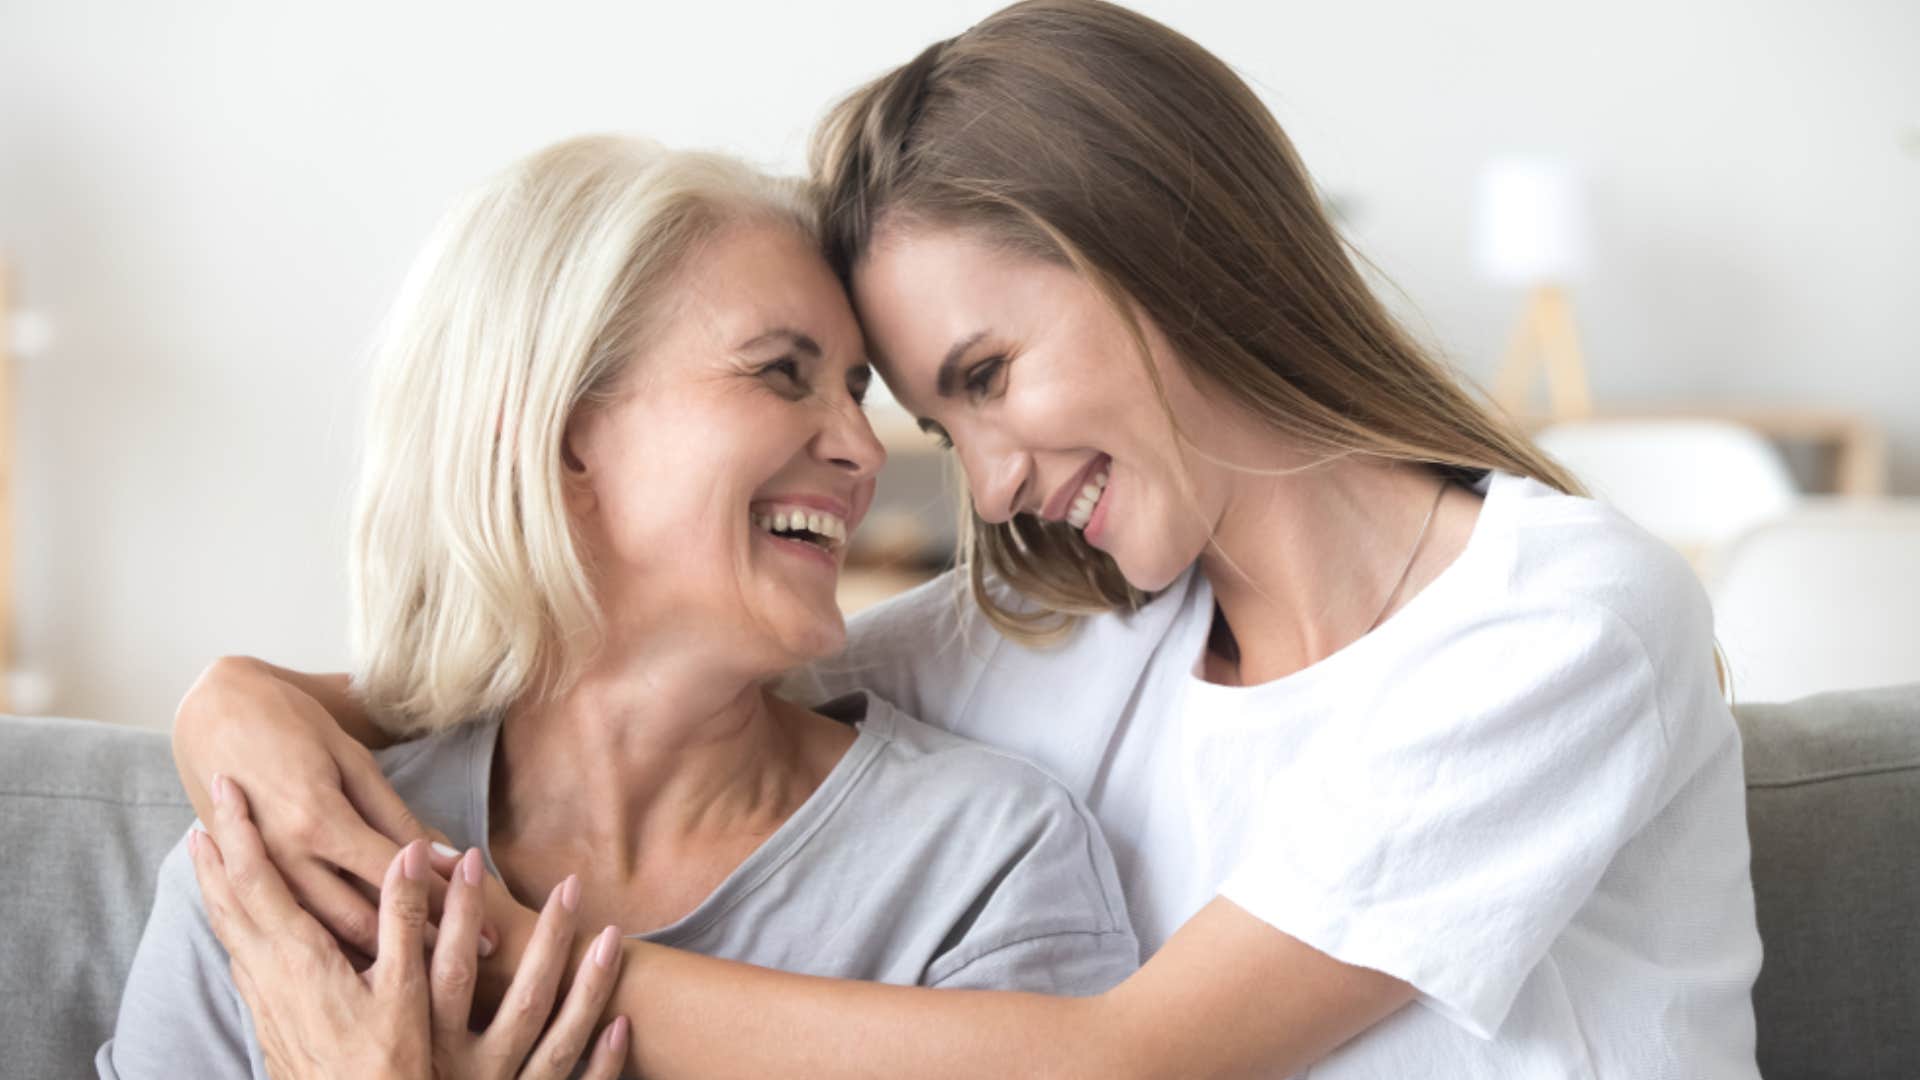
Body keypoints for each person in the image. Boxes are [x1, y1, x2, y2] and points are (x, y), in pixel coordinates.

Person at [168, 1, 1764, 1075]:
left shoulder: (1556, 617)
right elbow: (636, 666)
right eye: (947, 420)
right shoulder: (1074, 632)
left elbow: (1119, 1061)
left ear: (1166, 249)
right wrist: (246, 697)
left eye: (987, 378)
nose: (983, 484)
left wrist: (504, 964)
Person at [96, 134, 1140, 1080]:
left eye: (858, 395)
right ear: (560, 443)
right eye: (783, 375)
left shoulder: (979, 864)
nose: (863, 452)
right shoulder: (282, 874)